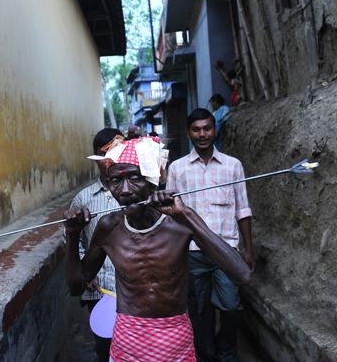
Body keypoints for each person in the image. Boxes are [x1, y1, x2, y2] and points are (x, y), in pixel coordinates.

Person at [64, 136, 252, 362]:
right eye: (116, 181)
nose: (124, 190)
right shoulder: (109, 227)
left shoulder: (179, 222)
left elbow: (242, 274)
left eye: (135, 178)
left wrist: (187, 217)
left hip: (175, 338)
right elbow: (76, 286)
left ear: (153, 181)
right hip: (127, 340)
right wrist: (73, 235)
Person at [166, 108, 254, 362]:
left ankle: (226, 350)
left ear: (215, 130)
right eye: (197, 129)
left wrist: (248, 250)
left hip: (226, 250)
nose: (202, 134)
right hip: (192, 253)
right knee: (199, 310)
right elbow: (171, 215)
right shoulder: (177, 169)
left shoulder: (233, 165)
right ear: (189, 132)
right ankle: (206, 355)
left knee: (230, 306)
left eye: (207, 128)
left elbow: (243, 209)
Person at [68, 127, 122, 362]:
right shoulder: (84, 198)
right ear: (97, 158)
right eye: (105, 154)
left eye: (118, 152)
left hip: (134, 288)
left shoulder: (137, 192)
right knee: (105, 348)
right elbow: (73, 240)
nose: (111, 159)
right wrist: (83, 270)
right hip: (99, 289)